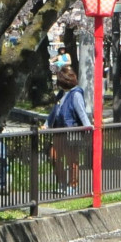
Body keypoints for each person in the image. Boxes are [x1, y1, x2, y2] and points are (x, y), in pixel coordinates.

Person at [45, 65, 92, 194]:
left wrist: (88, 129)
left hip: (71, 131)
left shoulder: (76, 94)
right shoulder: (61, 94)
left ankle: (73, 184)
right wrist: (47, 124)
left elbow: (82, 113)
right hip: (58, 131)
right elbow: (54, 111)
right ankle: (61, 182)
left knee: (72, 160)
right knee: (54, 156)